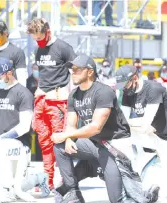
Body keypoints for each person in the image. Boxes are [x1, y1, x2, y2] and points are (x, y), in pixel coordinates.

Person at [52, 54, 159, 203]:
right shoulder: (73, 95)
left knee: (118, 200)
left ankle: (145, 196)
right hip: (94, 144)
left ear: (90, 72)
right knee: (60, 147)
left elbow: (96, 127)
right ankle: (73, 194)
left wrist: (66, 135)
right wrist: (69, 138)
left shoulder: (103, 91)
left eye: (77, 69)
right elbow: (71, 124)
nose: (72, 72)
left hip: (114, 147)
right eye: (72, 69)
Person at [115, 65, 167, 198]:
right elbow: (124, 124)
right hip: (152, 137)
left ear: (135, 78)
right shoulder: (127, 92)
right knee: (121, 139)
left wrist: (135, 124)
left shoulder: (154, 89)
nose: (124, 88)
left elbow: (143, 124)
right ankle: (135, 169)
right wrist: (135, 125)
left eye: (125, 84)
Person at [0, 58, 50, 202]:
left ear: (9, 73)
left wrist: (1, 139)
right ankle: (37, 178)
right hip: (0, 146)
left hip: (19, 145)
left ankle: (17, 186)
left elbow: (24, 126)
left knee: (13, 191)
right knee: (10, 189)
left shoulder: (23, 94)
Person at [26, 18, 77, 190]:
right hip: (41, 100)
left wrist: (71, 97)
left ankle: (67, 182)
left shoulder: (63, 48)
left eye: (40, 38)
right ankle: (47, 181)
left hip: (58, 100)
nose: (38, 42)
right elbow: (44, 74)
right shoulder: (38, 49)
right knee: (44, 143)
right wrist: (39, 93)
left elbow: (77, 73)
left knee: (60, 143)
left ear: (48, 31)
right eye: (35, 39)